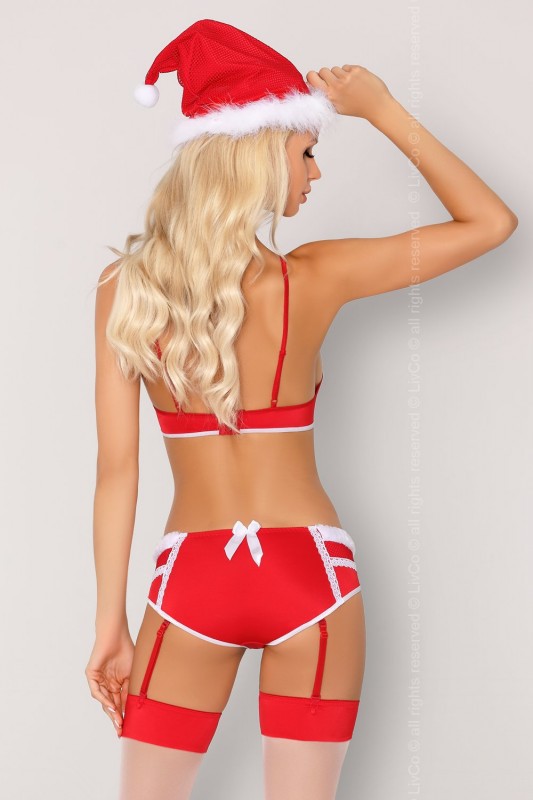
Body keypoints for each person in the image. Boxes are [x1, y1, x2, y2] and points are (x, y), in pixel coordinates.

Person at [85, 18, 518, 800]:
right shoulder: (315, 278)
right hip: (310, 578)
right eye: (306, 151)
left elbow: (117, 471)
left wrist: (109, 624)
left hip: (189, 583)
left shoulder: (126, 290)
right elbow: (490, 223)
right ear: (258, 155)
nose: (315, 173)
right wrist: (380, 109)